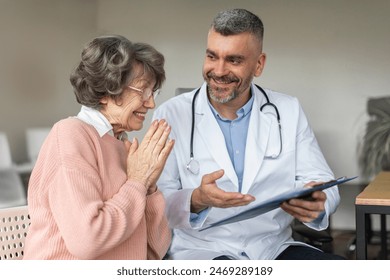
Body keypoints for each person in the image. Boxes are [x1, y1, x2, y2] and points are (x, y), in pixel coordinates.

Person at [152, 9, 344, 260]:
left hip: (272, 248)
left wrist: (319, 203)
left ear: (259, 64)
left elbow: (321, 181)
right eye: (212, 56)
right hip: (203, 251)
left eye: (234, 60)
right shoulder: (171, 114)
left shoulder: (288, 110)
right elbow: (156, 203)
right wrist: (196, 199)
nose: (218, 71)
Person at [23, 35, 174, 260]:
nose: (151, 103)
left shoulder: (124, 146)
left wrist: (149, 187)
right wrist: (137, 182)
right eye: (143, 91)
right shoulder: (71, 135)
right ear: (106, 91)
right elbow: (87, 241)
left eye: (153, 92)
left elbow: (154, 251)